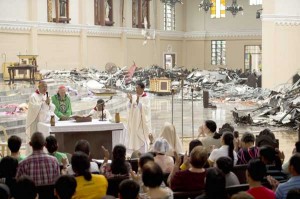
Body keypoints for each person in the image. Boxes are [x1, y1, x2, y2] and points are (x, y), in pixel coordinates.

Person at [25, 81, 55, 152]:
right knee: (35, 139)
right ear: (39, 87)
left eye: (46, 86)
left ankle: (44, 152)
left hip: (44, 121)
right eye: (43, 86)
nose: (45, 88)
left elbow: (51, 107)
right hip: (35, 121)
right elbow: (34, 108)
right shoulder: (33, 96)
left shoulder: (46, 95)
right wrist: (45, 103)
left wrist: (49, 104)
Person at [127, 81, 151, 153]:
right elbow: (130, 107)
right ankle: (134, 150)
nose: (136, 90)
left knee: (140, 136)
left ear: (142, 89)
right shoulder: (134, 96)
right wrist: (131, 101)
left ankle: (142, 151)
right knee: (134, 134)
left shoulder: (146, 98)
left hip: (141, 122)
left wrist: (138, 102)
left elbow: (146, 109)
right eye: (136, 88)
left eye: (137, 88)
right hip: (134, 121)